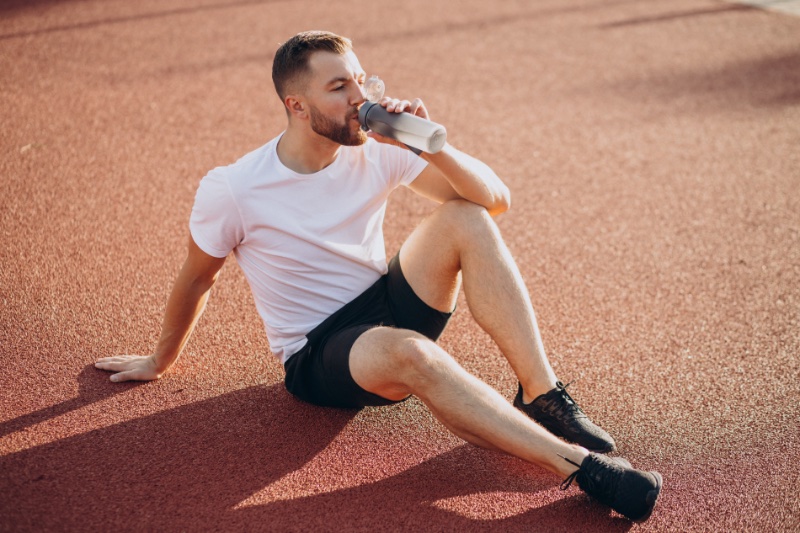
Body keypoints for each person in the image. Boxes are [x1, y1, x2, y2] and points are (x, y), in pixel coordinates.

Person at [95, 30, 661, 521]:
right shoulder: (236, 188)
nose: (359, 98)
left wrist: (430, 142)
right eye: (339, 87)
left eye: (360, 81)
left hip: (387, 301)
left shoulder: (375, 147)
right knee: (410, 354)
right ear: (296, 104)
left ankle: (541, 394)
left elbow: (496, 202)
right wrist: (160, 359)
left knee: (464, 215)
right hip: (321, 351)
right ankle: (586, 471)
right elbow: (198, 277)